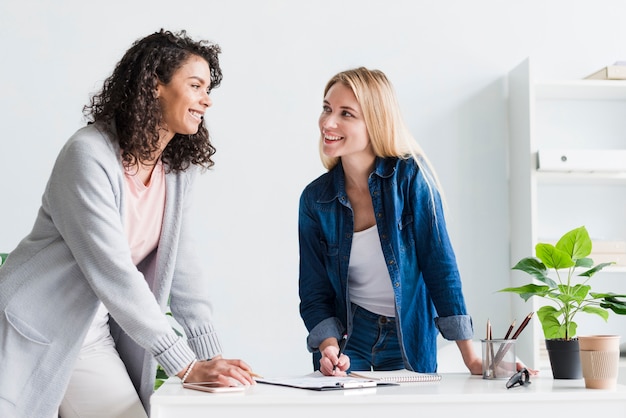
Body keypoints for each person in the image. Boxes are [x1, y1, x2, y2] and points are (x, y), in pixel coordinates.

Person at [0, 29, 256, 418]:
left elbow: (184, 268)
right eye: (195, 85)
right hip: (31, 328)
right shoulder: (87, 155)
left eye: (208, 88)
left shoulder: (176, 170)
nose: (206, 99)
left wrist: (211, 359)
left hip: (91, 334)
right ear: (156, 85)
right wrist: (185, 366)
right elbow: (113, 270)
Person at [298, 67, 534, 377]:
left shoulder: (411, 179)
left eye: (346, 113)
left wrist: (472, 358)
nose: (328, 122)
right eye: (327, 108)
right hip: (348, 335)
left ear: (376, 122)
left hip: (407, 334)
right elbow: (315, 292)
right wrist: (328, 348)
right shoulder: (315, 200)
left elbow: (440, 268)